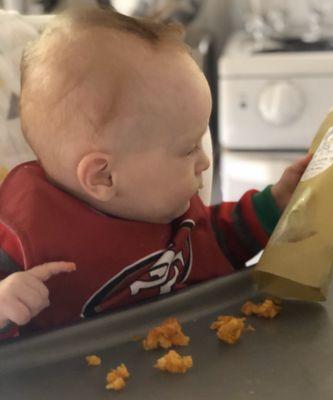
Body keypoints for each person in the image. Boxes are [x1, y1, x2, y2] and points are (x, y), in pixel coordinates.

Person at [0, 8, 311, 340]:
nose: (205, 161)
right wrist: (6, 305)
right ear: (104, 176)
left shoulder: (165, 206)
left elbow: (216, 241)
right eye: (188, 148)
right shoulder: (22, 240)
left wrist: (275, 205)